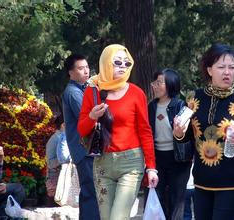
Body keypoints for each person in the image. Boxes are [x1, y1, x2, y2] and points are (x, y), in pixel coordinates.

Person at [173, 43, 234, 220]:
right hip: (201, 180)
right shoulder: (193, 98)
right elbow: (185, 137)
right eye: (221, 67)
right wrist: (178, 132)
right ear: (209, 70)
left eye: (232, 67)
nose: (227, 72)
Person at [78, 44, 158, 220]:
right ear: (106, 63)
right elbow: (82, 129)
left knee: (118, 218)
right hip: (102, 162)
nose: (122, 66)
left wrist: (151, 167)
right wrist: (92, 116)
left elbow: (145, 130)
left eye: (126, 63)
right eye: (117, 62)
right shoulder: (93, 92)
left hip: (131, 163)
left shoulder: (136, 93)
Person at [148, 68, 192, 220]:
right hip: (157, 158)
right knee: (159, 200)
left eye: (159, 82)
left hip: (178, 158)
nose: (154, 85)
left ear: (171, 84)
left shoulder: (181, 105)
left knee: (177, 200)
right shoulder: (151, 106)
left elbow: (188, 135)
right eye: (154, 82)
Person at [62, 54, 100, 220]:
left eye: (86, 67)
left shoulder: (84, 89)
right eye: (80, 68)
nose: (86, 71)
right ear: (70, 72)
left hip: (85, 148)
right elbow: (88, 116)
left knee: (88, 192)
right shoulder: (73, 92)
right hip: (83, 149)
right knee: (91, 191)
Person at [45, 114, 71, 206]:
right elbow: (50, 163)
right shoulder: (56, 139)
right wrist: (67, 159)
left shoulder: (62, 137)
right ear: (63, 125)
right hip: (55, 180)